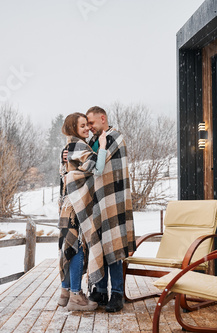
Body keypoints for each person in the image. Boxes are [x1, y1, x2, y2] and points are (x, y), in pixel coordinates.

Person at [65, 106, 136, 313]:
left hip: (112, 198)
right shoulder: (94, 141)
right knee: (101, 246)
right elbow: (87, 158)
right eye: (86, 124)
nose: (89, 127)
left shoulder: (113, 137)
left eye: (91, 123)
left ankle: (117, 294)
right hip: (98, 200)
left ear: (102, 119)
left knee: (113, 248)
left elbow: (99, 164)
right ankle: (101, 290)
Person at [58, 112, 107, 311]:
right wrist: (102, 145)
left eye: (87, 125)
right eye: (82, 126)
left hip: (67, 205)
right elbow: (98, 167)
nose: (87, 128)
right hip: (77, 206)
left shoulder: (67, 147)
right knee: (77, 248)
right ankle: (76, 297)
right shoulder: (78, 146)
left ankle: (65, 291)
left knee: (68, 247)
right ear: (73, 130)